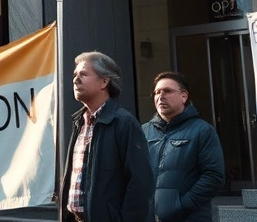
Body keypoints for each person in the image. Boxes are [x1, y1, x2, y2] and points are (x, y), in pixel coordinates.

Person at [59, 51, 153, 222]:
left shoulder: (124, 123)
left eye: (83, 74)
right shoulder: (79, 122)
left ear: (104, 81)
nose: (75, 79)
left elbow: (140, 184)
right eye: (75, 75)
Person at [142, 72, 224, 222]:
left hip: (189, 217)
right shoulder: (143, 132)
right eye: (157, 92)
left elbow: (214, 177)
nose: (161, 96)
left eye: (167, 91)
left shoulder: (202, 130)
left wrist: (181, 206)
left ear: (184, 96)